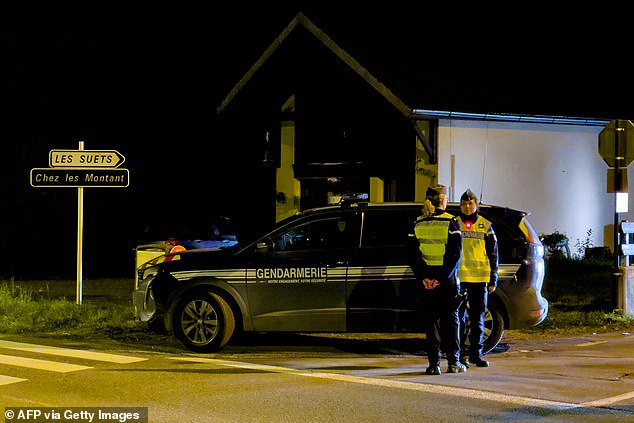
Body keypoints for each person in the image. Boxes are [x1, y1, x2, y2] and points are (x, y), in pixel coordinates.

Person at [410, 184, 466, 375]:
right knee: (451, 321)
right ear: (444, 200)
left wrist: (425, 277)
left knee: (431, 322)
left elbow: (412, 254)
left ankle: (434, 364)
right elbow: (455, 255)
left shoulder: (417, 223)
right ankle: (453, 362)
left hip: (426, 281)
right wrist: (441, 278)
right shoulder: (451, 222)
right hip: (446, 281)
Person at [456, 189, 499, 368]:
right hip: (460, 278)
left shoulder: (486, 225)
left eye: (470, 204)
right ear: (460, 206)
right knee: (459, 320)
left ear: (476, 205)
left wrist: (493, 279)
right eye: (464, 204)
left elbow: (494, 253)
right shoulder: (454, 223)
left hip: (480, 279)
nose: (467, 207)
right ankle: (460, 356)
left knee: (478, 320)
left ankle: (476, 354)